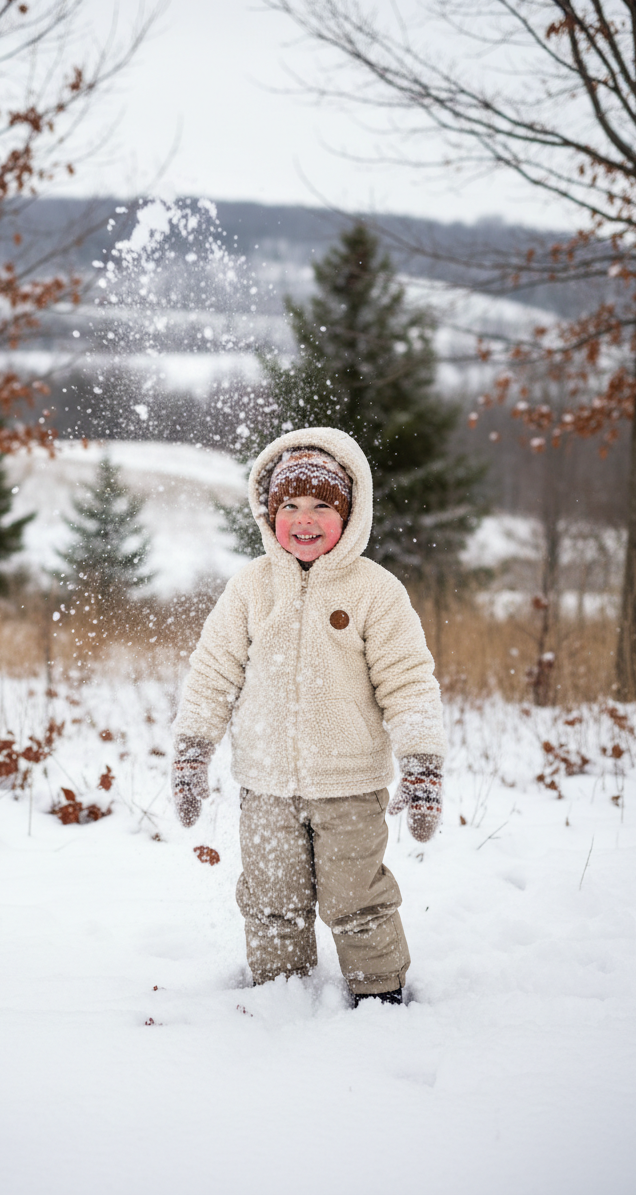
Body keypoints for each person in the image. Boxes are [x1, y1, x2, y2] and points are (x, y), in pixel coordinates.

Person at [171, 428, 445, 1006]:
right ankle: (282, 993)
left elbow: (408, 682)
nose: (305, 518)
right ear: (269, 514)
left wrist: (420, 765)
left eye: (323, 505)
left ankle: (381, 994)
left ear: (349, 513)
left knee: (358, 898)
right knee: (272, 898)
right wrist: (193, 750)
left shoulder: (376, 591)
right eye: (289, 506)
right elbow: (213, 672)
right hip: (266, 785)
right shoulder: (250, 588)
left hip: (351, 785)